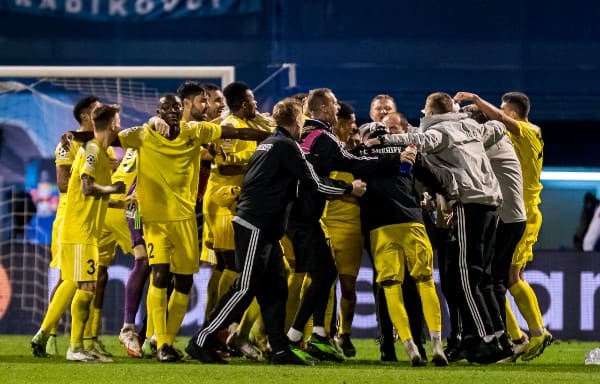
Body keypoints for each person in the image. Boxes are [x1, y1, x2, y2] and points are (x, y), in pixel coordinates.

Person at [185, 97, 366, 365]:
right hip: (256, 224)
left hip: (264, 226)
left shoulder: (270, 143)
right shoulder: (285, 146)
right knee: (245, 286)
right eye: (302, 119)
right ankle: (201, 340)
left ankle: (280, 349)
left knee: (276, 288)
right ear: (296, 121)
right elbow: (314, 182)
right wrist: (349, 188)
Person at [118, 94, 268, 362]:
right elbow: (111, 137)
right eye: (166, 108)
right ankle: (151, 338)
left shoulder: (194, 131)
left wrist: (269, 136)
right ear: (158, 111)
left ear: (182, 108)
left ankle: (165, 341)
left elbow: (233, 130)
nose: (173, 111)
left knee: (184, 280)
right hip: (149, 216)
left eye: (176, 107)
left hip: (185, 218)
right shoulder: (143, 133)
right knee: (158, 274)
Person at [369, 92, 507, 364]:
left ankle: (486, 339)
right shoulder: (472, 126)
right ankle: (499, 337)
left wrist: (384, 139)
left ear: (430, 113)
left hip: (469, 202)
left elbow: (419, 139)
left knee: (467, 275)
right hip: (492, 202)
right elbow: (498, 127)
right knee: (481, 276)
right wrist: (475, 112)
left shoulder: (441, 131)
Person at [285, 88, 402, 363]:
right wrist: (394, 160)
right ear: (324, 108)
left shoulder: (301, 134)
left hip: (291, 214)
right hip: (303, 218)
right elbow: (353, 164)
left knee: (321, 274)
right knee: (316, 275)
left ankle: (318, 336)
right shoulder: (323, 137)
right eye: (335, 104)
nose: (338, 109)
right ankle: (289, 340)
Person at [454, 90, 552, 361]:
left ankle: (537, 331)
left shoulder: (529, 130)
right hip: (512, 211)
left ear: (513, 114)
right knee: (497, 277)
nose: (497, 113)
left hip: (525, 212)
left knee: (510, 277)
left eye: (502, 110)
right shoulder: (511, 138)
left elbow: (496, 118)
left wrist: (475, 100)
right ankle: (516, 335)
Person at [31, 95, 101, 358]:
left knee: (81, 279)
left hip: (91, 217)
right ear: (85, 116)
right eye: (96, 110)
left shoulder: (96, 143)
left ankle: (64, 336)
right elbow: (62, 185)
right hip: (70, 217)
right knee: (69, 278)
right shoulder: (66, 146)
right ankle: (49, 335)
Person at [61, 104, 125, 361]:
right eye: (118, 120)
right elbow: (87, 187)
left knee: (89, 286)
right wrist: (114, 189)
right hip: (79, 231)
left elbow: (89, 195)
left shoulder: (99, 151)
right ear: (112, 124)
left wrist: (117, 202)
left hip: (88, 231)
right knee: (86, 287)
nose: (120, 124)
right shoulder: (92, 150)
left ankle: (81, 345)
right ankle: (75, 347)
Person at [320, 102, 363, 357]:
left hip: (353, 227)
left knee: (348, 286)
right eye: (351, 123)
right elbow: (321, 187)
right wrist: (347, 193)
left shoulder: (356, 154)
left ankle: (344, 333)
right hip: (327, 222)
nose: (354, 128)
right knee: (325, 282)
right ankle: (323, 332)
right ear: (341, 122)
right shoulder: (328, 150)